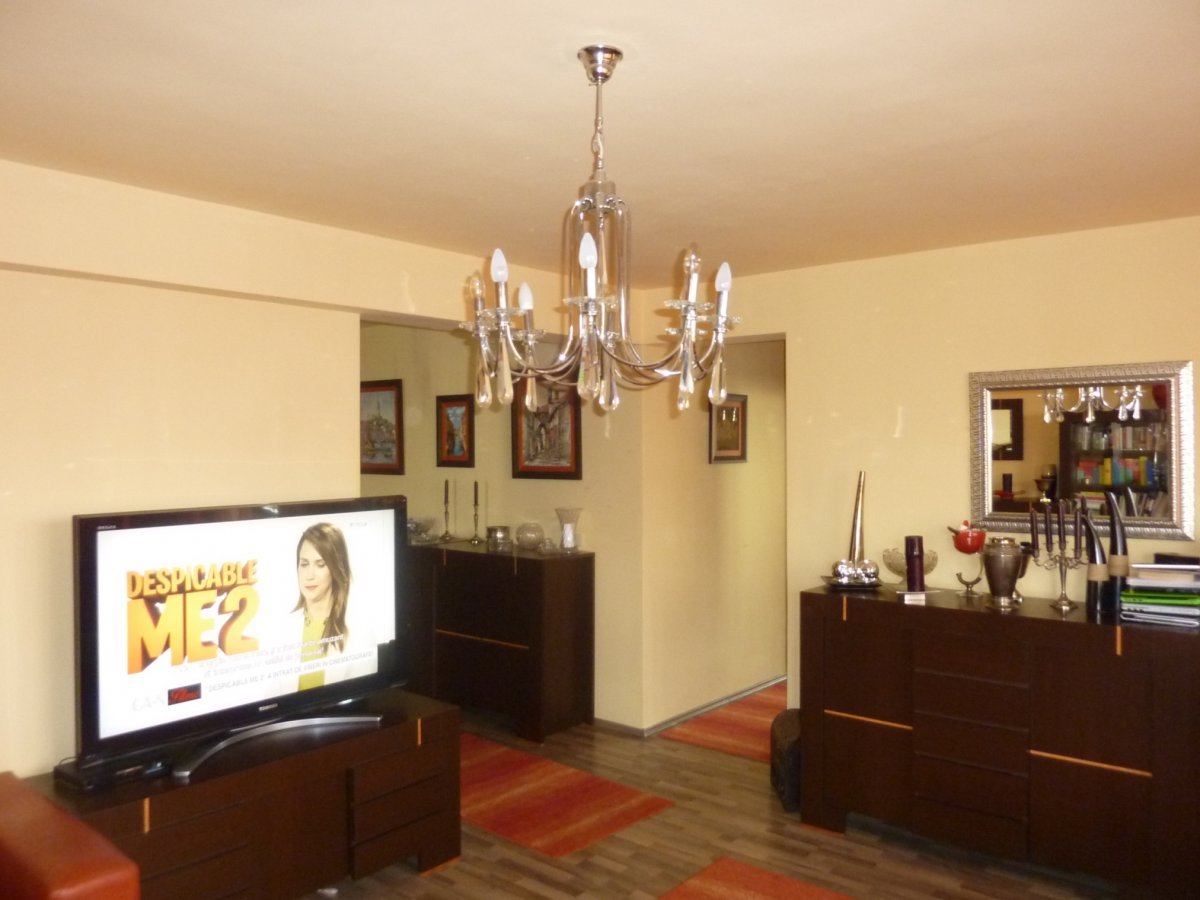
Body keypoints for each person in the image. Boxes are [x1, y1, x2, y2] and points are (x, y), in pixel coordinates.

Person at [293, 522, 352, 690]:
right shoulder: (280, 628)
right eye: (304, 564)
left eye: (320, 564)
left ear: (336, 569)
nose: (309, 575)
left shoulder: (358, 630)